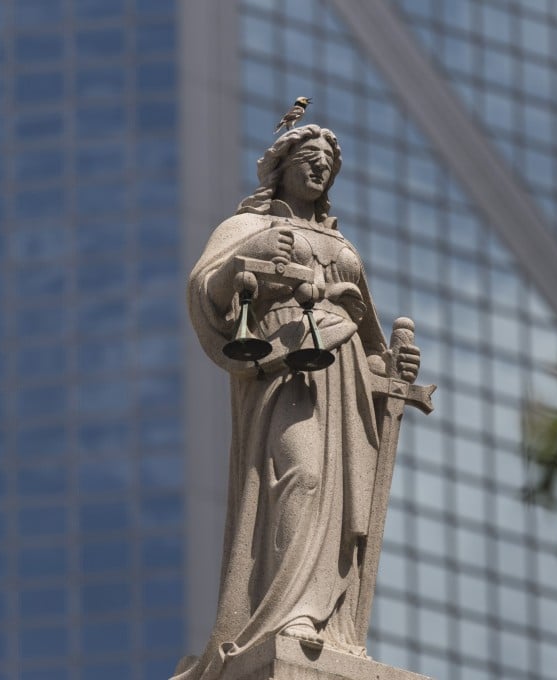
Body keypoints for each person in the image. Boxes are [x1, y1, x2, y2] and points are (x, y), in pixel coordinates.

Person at [176, 125, 419, 680]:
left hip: (345, 376)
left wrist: (393, 366)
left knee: (337, 500)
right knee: (301, 475)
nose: (320, 168)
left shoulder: (344, 246)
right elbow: (206, 289)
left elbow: (371, 337)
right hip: (286, 366)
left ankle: (326, 620)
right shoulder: (249, 225)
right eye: (309, 158)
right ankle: (285, 616)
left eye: (328, 163)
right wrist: (251, 256)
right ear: (282, 165)